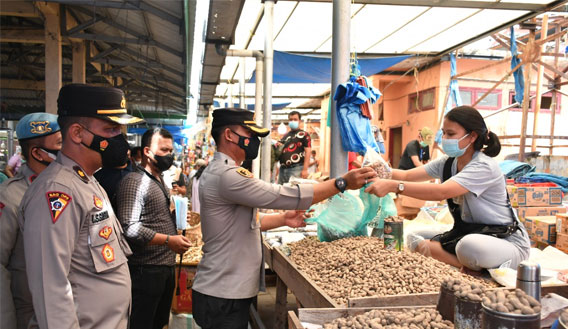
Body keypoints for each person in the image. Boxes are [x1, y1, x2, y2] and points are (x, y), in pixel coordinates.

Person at [192, 108, 375, 329]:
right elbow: (283, 195)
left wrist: (283, 220)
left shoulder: (224, 172)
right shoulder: (227, 176)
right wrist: (341, 184)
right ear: (229, 135)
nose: (254, 140)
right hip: (221, 294)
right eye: (249, 134)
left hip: (225, 291)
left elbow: (242, 224)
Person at [19, 84, 143, 328]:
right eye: (111, 129)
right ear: (77, 133)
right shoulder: (57, 192)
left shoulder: (87, 180)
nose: (120, 138)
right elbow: (51, 291)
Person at [365, 106, 530, 272]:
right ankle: (467, 266)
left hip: (504, 240)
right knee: (413, 236)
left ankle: (466, 264)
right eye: (443, 133)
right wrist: (378, 171)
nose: (444, 138)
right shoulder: (449, 162)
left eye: (450, 134)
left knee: (468, 246)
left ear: (472, 136)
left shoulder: (483, 166)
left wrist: (394, 186)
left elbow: (441, 192)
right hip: (468, 232)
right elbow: (408, 176)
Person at [115, 128, 191, 329]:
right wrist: (168, 240)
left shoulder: (157, 180)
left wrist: (175, 218)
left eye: (170, 150)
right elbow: (129, 228)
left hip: (163, 268)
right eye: (164, 150)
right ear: (148, 152)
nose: (169, 155)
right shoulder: (134, 182)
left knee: (158, 323)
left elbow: (151, 218)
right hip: (146, 271)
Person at [0, 113, 61, 329]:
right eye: (59, 144)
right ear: (37, 153)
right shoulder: (11, 196)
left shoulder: (68, 188)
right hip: (29, 315)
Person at [277, 111, 311, 183]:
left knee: (294, 192)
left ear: (300, 121)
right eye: (291, 119)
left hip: (296, 168)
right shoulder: (285, 135)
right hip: (282, 169)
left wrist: (305, 169)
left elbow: (308, 151)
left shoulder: (304, 134)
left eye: (295, 119)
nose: (293, 121)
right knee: (281, 192)